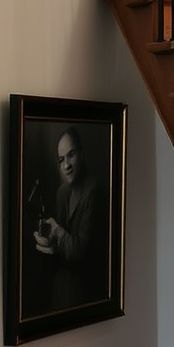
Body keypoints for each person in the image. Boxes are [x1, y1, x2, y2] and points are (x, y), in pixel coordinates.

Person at [33, 128, 108, 310]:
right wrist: (49, 242)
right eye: (61, 160)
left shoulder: (94, 192)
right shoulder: (62, 193)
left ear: (82, 154)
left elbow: (82, 252)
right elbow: (62, 250)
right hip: (61, 291)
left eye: (71, 155)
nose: (66, 165)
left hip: (84, 294)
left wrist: (57, 232)